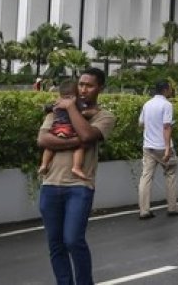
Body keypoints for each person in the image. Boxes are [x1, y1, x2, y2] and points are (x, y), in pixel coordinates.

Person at [37, 68, 116, 285]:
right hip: (50, 184)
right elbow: (43, 141)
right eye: (81, 84)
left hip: (79, 186)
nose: (83, 89)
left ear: (100, 88)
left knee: (73, 240)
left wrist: (71, 108)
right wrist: (78, 141)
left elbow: (88, 135)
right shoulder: (56, 110)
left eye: (89, 85)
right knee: (56, 244)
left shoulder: (104, 116)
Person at [137, 80, 178, 219]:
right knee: (170, 175)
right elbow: (166, 126)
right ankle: (172, 208)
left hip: (148, 146)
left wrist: (151, 128)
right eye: (170, 88)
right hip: (162, 146)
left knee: (146, 177)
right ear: (165, 90)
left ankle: (144, 210)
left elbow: (141, 123)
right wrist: (167, 149)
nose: (171, 91)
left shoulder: (147, 104)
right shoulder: (167, 105)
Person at [38, 79, 89, 180]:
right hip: (70, 130)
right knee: (79, 148)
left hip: (56, 130)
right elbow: (85, 112)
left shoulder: (57, 103)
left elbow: (47, 108)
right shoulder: (75, 105)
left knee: (49, 147)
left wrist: (44, 107)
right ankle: (76, 167)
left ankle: (44, 164)